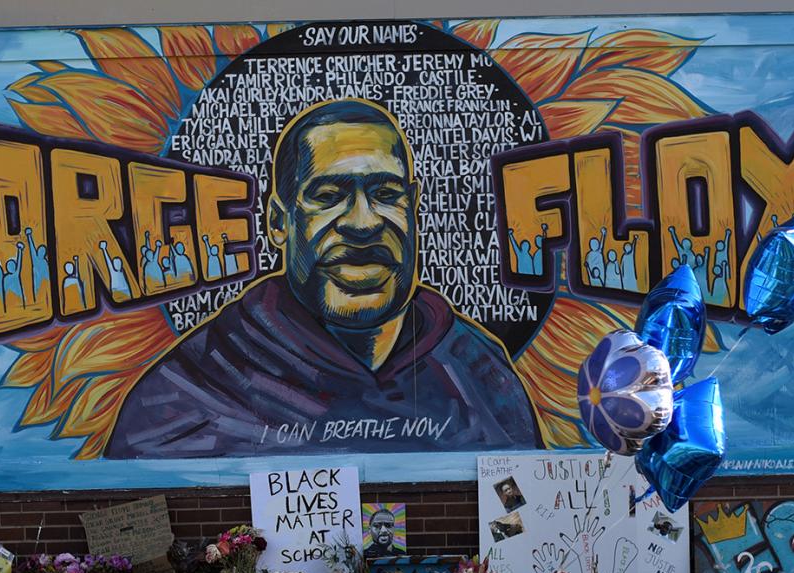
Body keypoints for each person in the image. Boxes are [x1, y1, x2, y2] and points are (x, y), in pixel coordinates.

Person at [105, 99, 543, 457]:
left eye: (386, 194)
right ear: (279, 222)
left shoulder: (478, 371)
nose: (363, 223)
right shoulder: (190, 391)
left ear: (415, 207)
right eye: (329, 196)